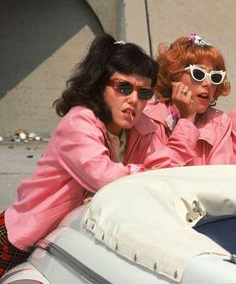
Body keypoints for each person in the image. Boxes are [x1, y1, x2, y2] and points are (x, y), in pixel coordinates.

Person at [0, 33, 159, 277]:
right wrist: (148, 174)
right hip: (20, 238)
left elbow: (170, 168)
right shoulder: (79, 122)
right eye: (124, 87)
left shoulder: (141, 129)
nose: (134, 100)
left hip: (63, 242)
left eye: (144, 93)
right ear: (99, 84)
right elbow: (103, 176)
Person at [144, 33, 234, 167]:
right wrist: (187, 120)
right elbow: (154, 173)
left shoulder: (220, 122)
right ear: (174, 75)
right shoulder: (148, 119)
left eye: (215, 77)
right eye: (199, 73)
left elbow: (219, 180)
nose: (208, 83)